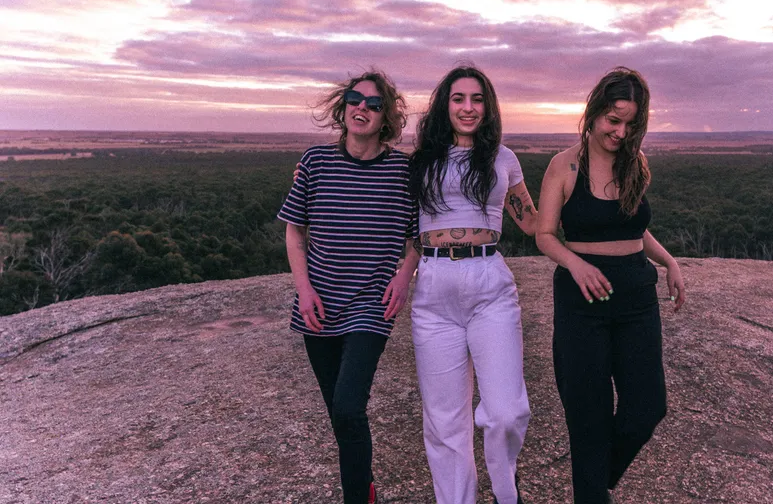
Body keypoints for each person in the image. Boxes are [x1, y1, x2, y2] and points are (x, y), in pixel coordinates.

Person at [535, 67, 685, 504]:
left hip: (636, 297)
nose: (620, 132)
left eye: (630, 124)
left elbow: (633, 227)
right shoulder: (564, 165)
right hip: (582, 302)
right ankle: (591, 492)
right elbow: (544, 234)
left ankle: (594, 481)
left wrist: (669, 259)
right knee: (588, 419)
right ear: (595, 111)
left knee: (646, 409)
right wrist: (576, 264)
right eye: (613, 120)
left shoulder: (635, 163)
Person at [278, 70, 418, 504]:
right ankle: (366, 489)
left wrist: (403, 275)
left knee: (348, 406)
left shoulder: (402, 170)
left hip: (370, 306)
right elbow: (294, 232)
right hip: (319, 302)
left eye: (374, 104)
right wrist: (304, 289)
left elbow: (417, 239)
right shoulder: (315, 162)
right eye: (356, 100)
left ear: (386, 117)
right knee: (340, 416)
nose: (363, 108)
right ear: (343, 108)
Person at [407, 65, 538, 504]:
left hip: (489, 284)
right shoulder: (422, 158)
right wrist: (313, 171)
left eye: (477, 98)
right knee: (445, 422)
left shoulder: (503, 157)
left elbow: (533, 221)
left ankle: (506, 493)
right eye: (459, 98)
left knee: (506, 411)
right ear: (446, 104)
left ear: (489, 106)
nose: (468, 107)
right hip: (434, 285)